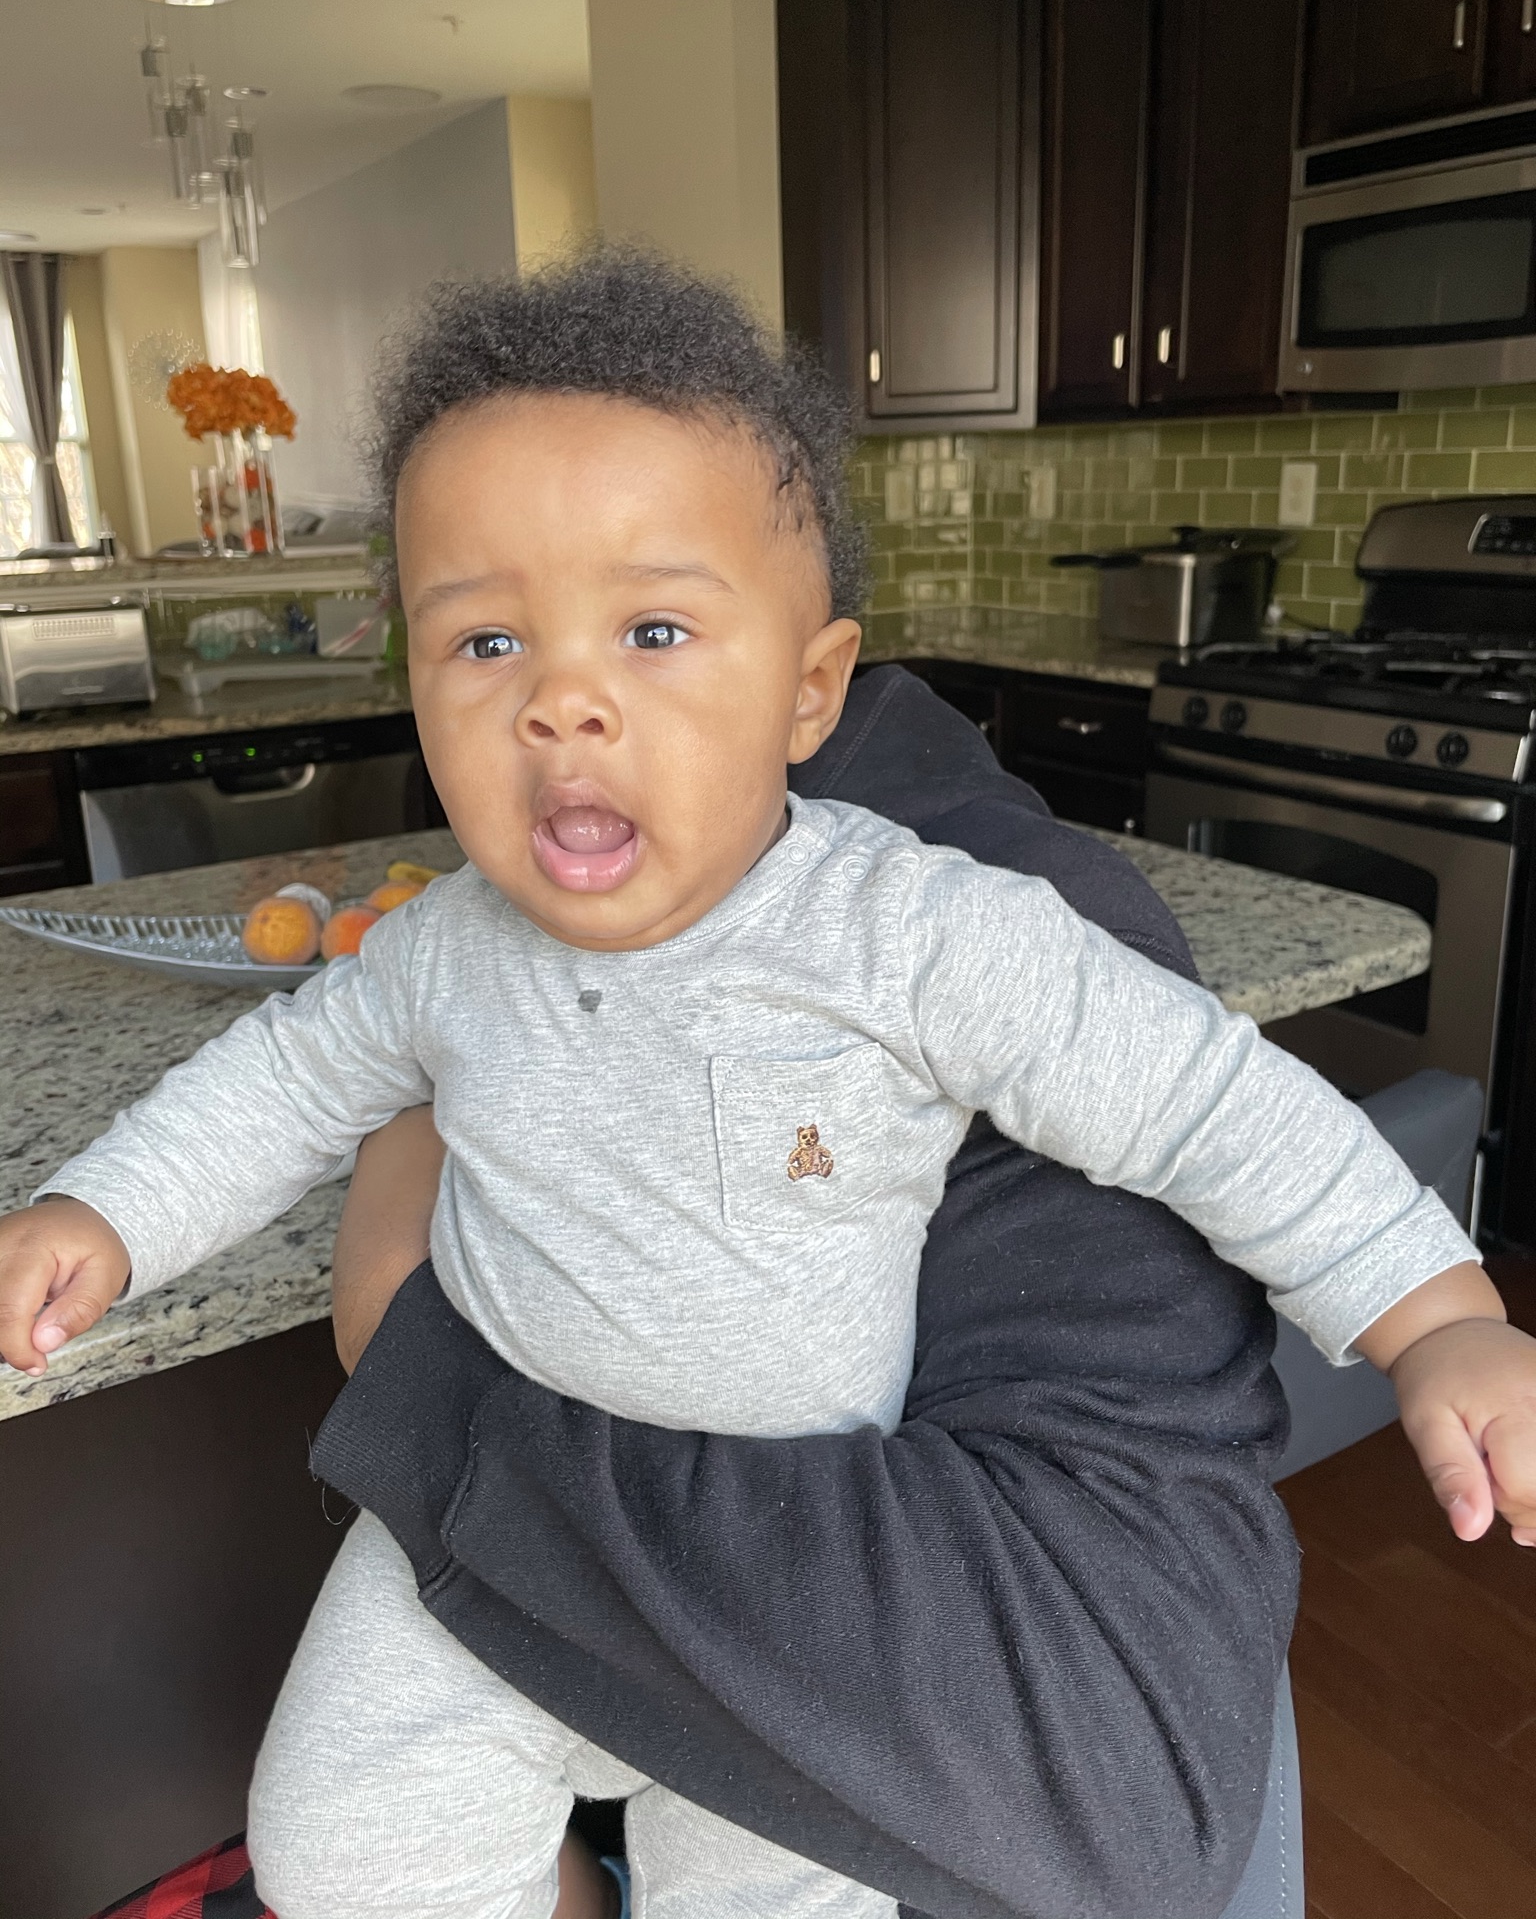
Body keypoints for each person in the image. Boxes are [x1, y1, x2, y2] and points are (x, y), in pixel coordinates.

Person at [1, 251, 1533, 1919]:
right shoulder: (444, 948)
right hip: (492, 1536)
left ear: (809, 690)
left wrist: (1436, 1316)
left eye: (654, 630)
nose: (562, 702)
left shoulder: (919, 934)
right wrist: (107, 1213)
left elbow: (1211, 1108)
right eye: (486, 639)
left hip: (775, 1588)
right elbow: (278, 1083)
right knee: (342, 1852)